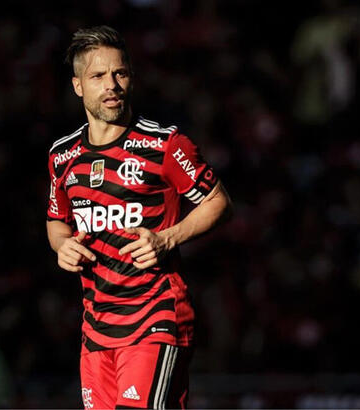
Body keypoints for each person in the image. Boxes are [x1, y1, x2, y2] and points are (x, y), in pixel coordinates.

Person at [46, 26, 233, 409]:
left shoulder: (164, 144)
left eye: (120, 73)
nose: (112, 84)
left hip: (155, 317)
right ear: (78, 85)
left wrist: (169, 237)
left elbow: (219, 202)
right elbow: (56, 219)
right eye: (98, 76)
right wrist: (62, 245)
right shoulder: (62, 156)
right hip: (96, 330)